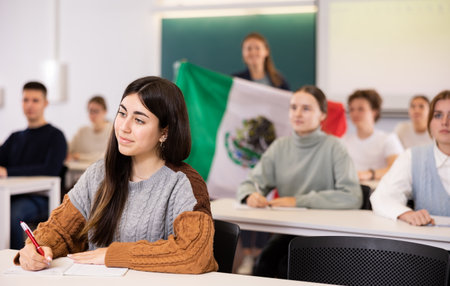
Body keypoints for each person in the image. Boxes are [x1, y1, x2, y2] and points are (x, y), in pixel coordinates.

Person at [13, 76, 218, 274]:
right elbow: (59, 229)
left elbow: (194, 254)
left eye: (139, 120)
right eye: (122, 113)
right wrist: (35, 248)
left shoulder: (185, 184)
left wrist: (113, 255)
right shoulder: (97, 174)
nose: (123, 127)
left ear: (164, 132)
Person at [237, 85, 362, 278]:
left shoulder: (335, 147)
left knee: (294, 267)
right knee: (264, 265)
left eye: (306, 108)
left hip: (325, 233)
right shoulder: (280, 147)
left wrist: (299, 201)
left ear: (322, 115)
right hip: (289, 230)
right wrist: (250, 196)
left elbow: (352, 196)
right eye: (293, 107)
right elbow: (249, 183)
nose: (298, 113)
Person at [232, 32, 290, 274]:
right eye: (248, 48)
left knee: (265, 199)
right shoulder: (235, 80)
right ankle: (246, 255)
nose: (253, 53)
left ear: (266, 51)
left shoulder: (279, 82)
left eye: (257, 48)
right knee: (246, 197)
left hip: (269, 148)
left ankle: (262, 257)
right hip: (243, 147)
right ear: (243, 54)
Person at [0, 81, 67, 250]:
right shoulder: (15, 137)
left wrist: (8, 172)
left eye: (35, 100)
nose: (29, 105)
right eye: (25, 100)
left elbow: (50, 169)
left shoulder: (55, 136)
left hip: (41, 197)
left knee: (13, 213)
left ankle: (15, 259)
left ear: (45, 103)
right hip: (11, 194)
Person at [370, 90, 450, 225]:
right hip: (430, 243)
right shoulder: (412, 157)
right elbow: (381, 197)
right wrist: (406, 214)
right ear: (429, 122)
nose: (444, 122)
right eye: (437, 115)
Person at [342, 89, 403, 181]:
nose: (355, 113)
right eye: (351, 109)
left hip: (377, 190)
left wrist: (369, 174)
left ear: (374, 112)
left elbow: (398, 169)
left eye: (361, 109)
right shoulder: (344, 140)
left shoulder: (388, 139)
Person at [67, 95, 112, 163]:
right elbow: (67, 149)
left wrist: (79, 157)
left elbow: (107, 156)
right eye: (90, 111)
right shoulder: (82, 131)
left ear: (105, 112)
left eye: (96, 111)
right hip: (79, 171)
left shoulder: (113, 131)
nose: (92, 115)